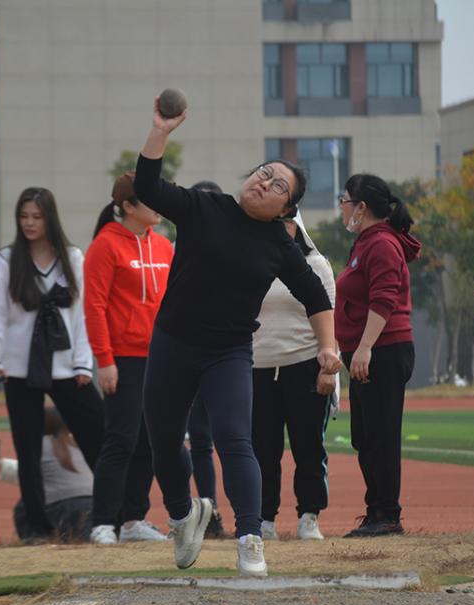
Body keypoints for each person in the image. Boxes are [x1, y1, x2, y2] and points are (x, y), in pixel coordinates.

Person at [134, 97, 340, 577]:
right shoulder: (205, 208)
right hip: (172, 342)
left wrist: (327, 346)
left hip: (227, 353)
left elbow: (316, 296)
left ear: (286, 208)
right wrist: (160, 131)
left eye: (278, 185)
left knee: (234, 440)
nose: (264, 182)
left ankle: (250, 539)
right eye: (263, 173)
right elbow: (147, 186)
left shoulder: (279, 246)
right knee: (163, 440)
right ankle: (183, 516)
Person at [0, 187, 105, 540]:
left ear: (50, 217)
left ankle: (114, 516)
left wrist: (84, 365)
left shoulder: (72, 257)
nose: (29, 224)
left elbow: (83, 316)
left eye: (36, 217)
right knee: (26, 446)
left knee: (98, 434)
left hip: (68, 367)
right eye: (24, 217)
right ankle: (37, 528)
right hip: (19, 368)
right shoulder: (5, 261)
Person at [85, 172, 173, 544]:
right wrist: (104, 360)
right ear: (128, 207)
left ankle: (134, 520)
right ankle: (103, 522)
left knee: (149, 441)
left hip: (161, 358)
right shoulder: (105, 246)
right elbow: (94, 305)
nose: (159, 206)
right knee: (120, 439)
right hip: (122, 358)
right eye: (150, 199)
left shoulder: (164, 245)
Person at [335, 174, 421, 538]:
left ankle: (387, 514)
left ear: (362, 207)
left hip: (383, 349)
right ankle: (375, 511)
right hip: (368, 350)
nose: (342, 206)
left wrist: (365, 348)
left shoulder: (382, 243)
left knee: (382, 435)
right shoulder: (365, 242)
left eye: (345, 199)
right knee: (365, 437)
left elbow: (384, 299)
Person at [253, 212, 337, 541]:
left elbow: (329, 317)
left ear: (296, 226)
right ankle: (263, 519)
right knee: (262, 450)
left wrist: (328, 369)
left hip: (304, 364)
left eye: (283, 222)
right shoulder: (252, 263)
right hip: (258, 367)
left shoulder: (316, 265)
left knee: (309, 447)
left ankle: (309, 516)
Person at [185, 180, 227, 539]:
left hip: (225, 357)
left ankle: (228, 515)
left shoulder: (234, 248)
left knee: (224, 439)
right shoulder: (173, 249)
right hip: (183, 356)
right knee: (189, 439)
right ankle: (196, 513)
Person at [8, 408, 95, 541]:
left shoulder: (37, 447)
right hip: (93, 504)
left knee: (25, 504)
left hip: (60, 507)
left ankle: (36, 539)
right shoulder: (77, 445)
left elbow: (27, 477)